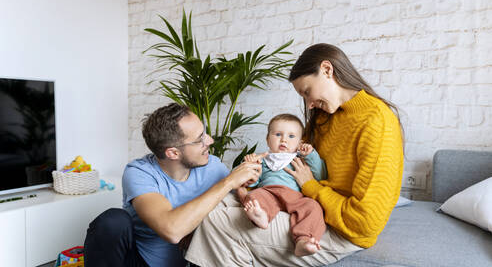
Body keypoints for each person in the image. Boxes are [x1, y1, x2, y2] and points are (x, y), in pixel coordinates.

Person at [185, 43, 404, 266]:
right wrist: (256, 174)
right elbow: (289, 159)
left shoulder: (377, 121)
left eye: (307, 91)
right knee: (220, 201)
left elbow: (365, 223)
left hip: (338, 228)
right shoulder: (325, 115)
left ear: (327, 70)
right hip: (306, 202)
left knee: (218, 222)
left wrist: (311, 187)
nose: (309, 105)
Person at [84, 103, 262, 267]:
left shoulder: (213, 166)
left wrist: (245, 184)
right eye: (199, 139)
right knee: (112, 221)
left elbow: (234, 210)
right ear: (173, 153)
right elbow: (171, 231)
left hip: (194, 263)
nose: (209, 141)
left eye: (204, 132)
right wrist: (229, 181)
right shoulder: (139, 173)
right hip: (142, 263)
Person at [237, 113, 327, 257]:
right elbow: (254, 182)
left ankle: (303, 240)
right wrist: (251, 165)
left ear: (300, 142)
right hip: (269, 192)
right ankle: (262, 216)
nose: (284, 139)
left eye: (291, 136)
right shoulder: (264, 160)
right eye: (278, 134)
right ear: (268, 139)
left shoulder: (299, 159)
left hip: (296, 196)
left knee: (313, 207)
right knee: (254, 196)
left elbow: (320, 174)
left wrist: (311, 155)